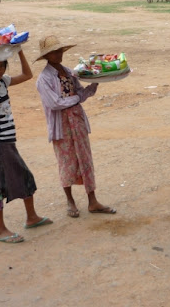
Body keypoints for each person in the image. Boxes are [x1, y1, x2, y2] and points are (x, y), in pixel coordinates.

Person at [0, 49, 53, 244]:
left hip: (7, 144)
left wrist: (19, 51)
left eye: (1, 65)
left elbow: (27, 75)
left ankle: (31, 217)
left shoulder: (3, 82)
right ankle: (0, 230)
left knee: (25, 177)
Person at [35, 35, 116, 218]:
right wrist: (77, 99)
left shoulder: (70, 72)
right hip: (61, 124)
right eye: (54, 52)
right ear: (47, 56)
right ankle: (70, 201)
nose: (58, 54)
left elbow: (81, 92)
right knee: (66, 161)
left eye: (59, 51)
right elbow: (55, 103)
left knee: (85, 159)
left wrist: (98, 80)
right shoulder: (43, 79)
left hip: (76, 120)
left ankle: (92, 201)